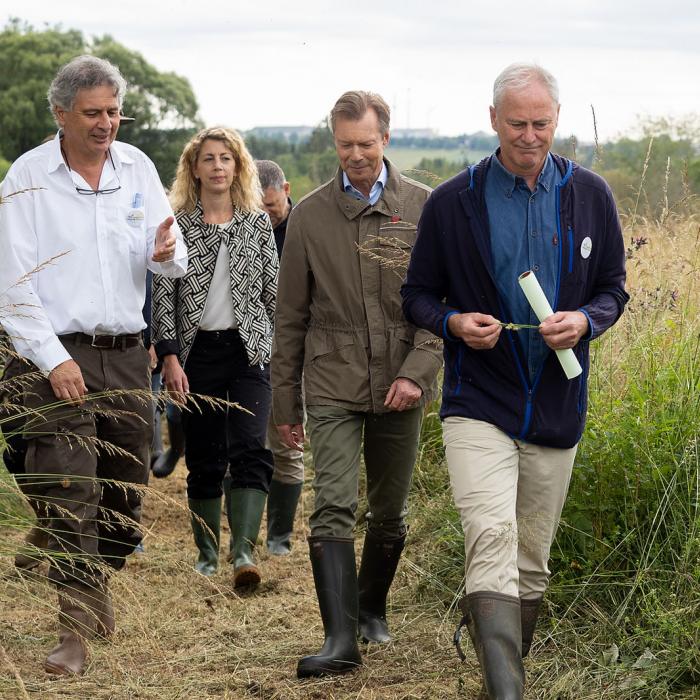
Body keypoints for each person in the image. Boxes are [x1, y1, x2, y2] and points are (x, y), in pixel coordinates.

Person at [401, 63, 629, 699]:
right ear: (493, 120)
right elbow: (416, 295)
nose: (530, 136)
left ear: (556, 120)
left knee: (531, 556)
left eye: (542, 124)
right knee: (491, 535)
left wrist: (585, 320)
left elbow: (615, 289)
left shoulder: (591, 195)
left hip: (557, 404)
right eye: (518, 124)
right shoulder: (455, 202)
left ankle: (503, 674)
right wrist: (452, 322)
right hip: (479, 400)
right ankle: (508, 694)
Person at [0, 55, 187, 676]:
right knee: (69, 491)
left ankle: (96, 579)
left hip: (127, 354)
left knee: (125, 494)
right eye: (93, 113)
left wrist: (162, 253)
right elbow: (11, 284)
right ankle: (74, 627)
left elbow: (169, 257)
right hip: (54, 352)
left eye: (113, 111)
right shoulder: (28, 179)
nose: (107, 123)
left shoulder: (137, 167)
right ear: (61, 114)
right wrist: (53, 359)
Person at [272, 90, 442, 678]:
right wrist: (283, 404)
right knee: (334, 506)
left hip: (402, 379)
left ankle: (371, 608)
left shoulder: (425, 208)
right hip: (331, 380)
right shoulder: (310, 217)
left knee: (389, 509)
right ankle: (339, 640)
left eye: (366, 144)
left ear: (386, 139)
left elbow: (445, 305)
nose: (355, 156)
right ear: (334, 142)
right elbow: (290, 316)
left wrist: (416, 374)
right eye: (345, 145)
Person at [152, 127, 278, 587]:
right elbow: (164, 294)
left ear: (238, 167)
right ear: (194, 168)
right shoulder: (178, 225)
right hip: (196, 354)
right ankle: (206, 552)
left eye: (227, 158)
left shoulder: (257, 223)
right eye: (209, 158)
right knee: (205, 455)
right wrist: (168, 356)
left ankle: (243, 550)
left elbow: (273, 295)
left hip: (248, 353)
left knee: (252, 448)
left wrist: (270, 351)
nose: (219, 166)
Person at [255, 159, 303, 555]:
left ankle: (279, 537)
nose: (266, 216)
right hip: (249, 351)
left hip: (292, 353)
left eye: (271, 207)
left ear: (285, 190)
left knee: (287, 443)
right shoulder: (241, 229)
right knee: (247, 446)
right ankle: (243, 532)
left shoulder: (305, 228)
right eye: (259, 208)